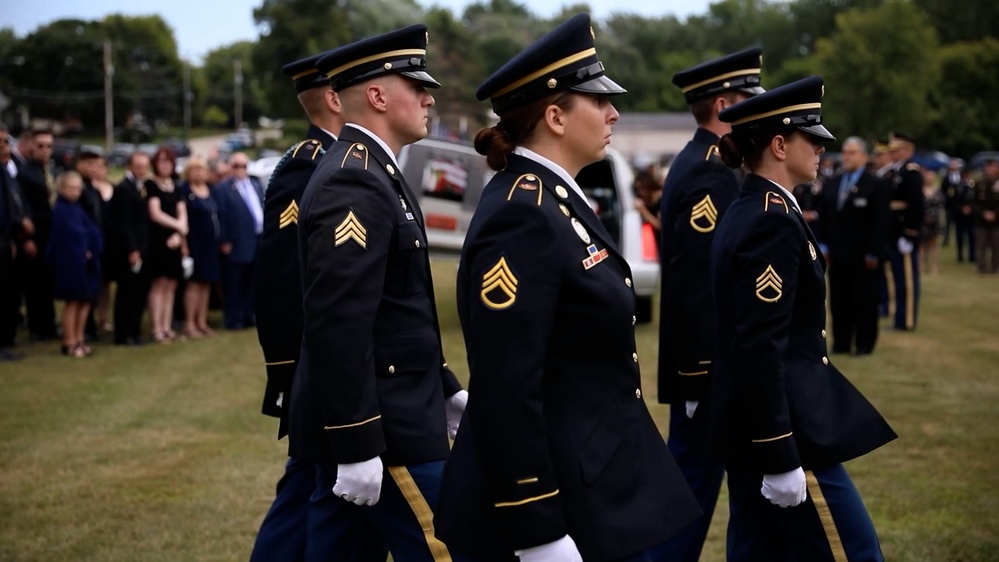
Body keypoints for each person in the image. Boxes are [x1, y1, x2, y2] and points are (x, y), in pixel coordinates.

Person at [435, 14, 701, 562]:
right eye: (598, 102)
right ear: (555, 116)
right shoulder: (523, 212)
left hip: (594, 476)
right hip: (555, 492)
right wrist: (536, 528)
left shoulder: (555, 197)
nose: (614, 113)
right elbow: (509, 382)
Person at [289, 24, 466, 561]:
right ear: (377, 95)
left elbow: (396, 310)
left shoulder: (376, 170)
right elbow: (340, 322)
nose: (428, 96)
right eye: (417, 86)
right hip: (389, 432)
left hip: (393, 413)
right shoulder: (355, 179)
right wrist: (358, 440)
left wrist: (443, 385)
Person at [711, 76, 896, 561]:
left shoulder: (751, 207)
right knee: (854, 552)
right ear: (778, 144)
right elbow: (759, 344)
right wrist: (779, 453)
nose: (820, 148)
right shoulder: (770, 218)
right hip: (787, 431)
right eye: (810, 138)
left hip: (755, 425)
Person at [249, 50, 381, 562]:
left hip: (327, 364)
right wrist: (287, 375)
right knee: (312, 486)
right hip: (317, 365)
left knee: (311, 486)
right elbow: (282, 280)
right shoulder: (309, 164)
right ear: (332, 97)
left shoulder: (337, 159)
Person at [653, 47, 764, 562]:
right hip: (709, 369)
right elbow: (697, 282)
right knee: (691, 491)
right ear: (724, 104)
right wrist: (699, 377)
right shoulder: (709, 171)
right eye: (748, 101)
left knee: (724, 487)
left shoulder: (710, 163)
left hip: (716, 366)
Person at [819, 137, 890, 356]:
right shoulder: (834, 182)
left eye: (852, 152)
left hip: (864, 255)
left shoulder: (876, 184)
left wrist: (873, 251)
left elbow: (880, 222)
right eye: (845, 152)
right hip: (837, 253)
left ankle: (864, 344)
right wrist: (823, 246)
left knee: (865, 300)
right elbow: (825, 217)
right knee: (839, 300)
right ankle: (841, 342)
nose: (847, 157)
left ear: (864, 156)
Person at [46, 171, 103, 357]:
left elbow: (90, 230)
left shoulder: (77, 208)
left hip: (87, 263)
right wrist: (81, 250)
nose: (74, 192)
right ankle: (69, 341)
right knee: (72, 301)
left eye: (77, 188)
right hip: (70, 263)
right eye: (70, 188)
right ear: (61, 189)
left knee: (86, 301)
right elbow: (66, 237)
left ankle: (80, 338)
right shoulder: (61, 210)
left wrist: (93, 247)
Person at [213, 152, 263, 330]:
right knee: (234, 283)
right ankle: (234, 319)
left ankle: (249, 315)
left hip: (256, 238)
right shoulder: (223, 189)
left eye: (244, 166)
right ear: (230, 167)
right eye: (236, 166)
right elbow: (221, 216)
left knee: (251, 282)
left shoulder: (255, 185)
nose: (241, 169)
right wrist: (224, 240)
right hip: (235, 242)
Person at [16, 129, 58, 341]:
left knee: (49, 279)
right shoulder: (25, 174)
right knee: (34, 280)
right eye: (40, 146)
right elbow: (22, 207)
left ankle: (49, 324)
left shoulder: (54, 170)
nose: (45, 150)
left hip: (54, 230)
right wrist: (26, 238)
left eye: (49, 146)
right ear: (32, 146)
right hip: (35, 231)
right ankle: (36, 327)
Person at [145, 147, 187, 343]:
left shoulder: (175, 186)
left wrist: (180, 232)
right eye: (161, 161)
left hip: (175, 240)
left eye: (168, 162)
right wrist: (177, 225)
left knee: (171, 284)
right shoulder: (151, 185)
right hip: (158, 240)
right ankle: (157, 328)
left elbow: (182, 211)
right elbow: (155, 213)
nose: (165, 165)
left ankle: (167, 326)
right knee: (159, 284)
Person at [884, 133, 924, 331]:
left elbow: (916, 205)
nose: (892, 153)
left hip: (903, 231)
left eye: (896, 150)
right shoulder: (894, 172)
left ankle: (907, 320)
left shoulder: (911, 172)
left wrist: (910, 233)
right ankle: (899, 319)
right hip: (893, 231)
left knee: (907, 280)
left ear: (908, 151)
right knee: (898, 279)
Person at [111, 152, 151, 346]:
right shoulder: (123, 189)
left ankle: (134, 331)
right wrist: (132, 249)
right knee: (127, 292)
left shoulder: (141, 187)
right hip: (129, 250)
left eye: (145, 166)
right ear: (129, 166)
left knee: (138, 292)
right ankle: (123, 333)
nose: (142, 169)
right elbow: (124, 223)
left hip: (142, 247)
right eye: (138, 165)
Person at [177, 157, 220, 338]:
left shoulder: (208, 190)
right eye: (195, 170)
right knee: (194, 284)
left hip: (210, 244)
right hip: (194, 242)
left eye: (202, 170)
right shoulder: (185, 191)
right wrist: (184, 245)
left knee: (206, 283)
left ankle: (202, 321)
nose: (199, 173)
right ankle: (190, 323)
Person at [0, 123, 29, 361]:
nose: (4, 147)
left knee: (8, 293)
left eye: (6, 141)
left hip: (7, 239)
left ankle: (5, 340)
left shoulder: (6, 172)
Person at [972, 158, 999, 274]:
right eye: (988, 167)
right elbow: (974, 202)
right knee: (981, 245)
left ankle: (995, 267)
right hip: (981, 220)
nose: (990, 169)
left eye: (993, 167)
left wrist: (995, 214)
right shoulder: (978, 184)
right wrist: (984, 213)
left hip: (997, 220)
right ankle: (982, 267)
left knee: (996, 245)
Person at [920, 168, 944, 275]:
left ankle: (934, 267)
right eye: (927, 175)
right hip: (922, 221)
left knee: (933, 245)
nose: (929, 178)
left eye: (931, 175)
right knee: (922, 245)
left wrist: (933, 217)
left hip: (934, 221)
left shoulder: (938, 191)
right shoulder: (919, 190)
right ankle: (920, 266)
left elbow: (940, 206)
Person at [952, 167, 977, 263]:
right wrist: (961, 208)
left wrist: (970, 208)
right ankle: (960, 255)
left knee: (971, 237)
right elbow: (953, 200)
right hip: (959, 215)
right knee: (960, 237)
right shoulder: (957, 186)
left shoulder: (973, 185)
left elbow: (975, 199)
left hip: (971, 216)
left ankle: (972, 255)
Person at [633, 170, 662, 252]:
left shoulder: (661, 199)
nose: (640, 192)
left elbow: (660, 226)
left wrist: (643, 210)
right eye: (637, 189)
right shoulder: (646, 200)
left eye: (641, 188)